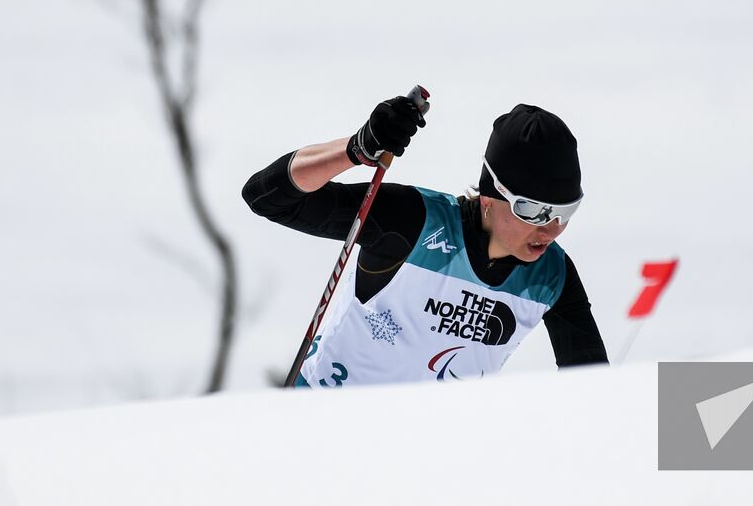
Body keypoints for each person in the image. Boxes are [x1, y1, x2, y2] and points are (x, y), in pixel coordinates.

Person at [242, 94, 608, 385]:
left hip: (426, 458)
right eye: (533, 210)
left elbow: (589, 388)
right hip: (324, 429)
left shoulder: (551, 276)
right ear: (490, 194)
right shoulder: (413, 221)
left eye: (565, 213)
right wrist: (357, 149)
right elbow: (266, 198)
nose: (550, 228)